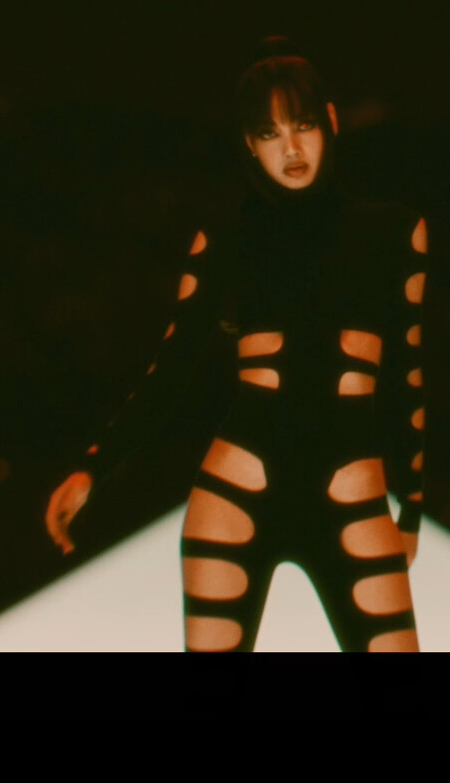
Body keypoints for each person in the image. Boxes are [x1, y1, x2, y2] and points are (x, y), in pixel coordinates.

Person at [44, 37, 427, 652]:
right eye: (270, 133)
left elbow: (406, 374)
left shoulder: (395, 233)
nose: (291, 148)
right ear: (249, 143)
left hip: (350, 502)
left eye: (302, 125)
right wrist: (93, 467)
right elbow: (170, 372)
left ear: (331, 121)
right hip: (234, 500)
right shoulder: (223, 239)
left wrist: (412, 505)